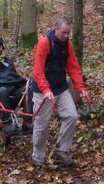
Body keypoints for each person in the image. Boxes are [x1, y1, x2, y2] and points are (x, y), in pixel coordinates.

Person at [32, 18, 88, 167]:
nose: (65, 36)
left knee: (71, 115)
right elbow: (38, 71)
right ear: (55, 29)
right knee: (42, 124)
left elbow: (73, 67)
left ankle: (61, 150)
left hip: (60, 87)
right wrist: (45, 90)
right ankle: (38, 157)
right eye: (63, 32)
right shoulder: (44, 44)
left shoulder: (67, 45)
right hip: (42, 90)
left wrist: (80, 88)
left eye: (68, 33)